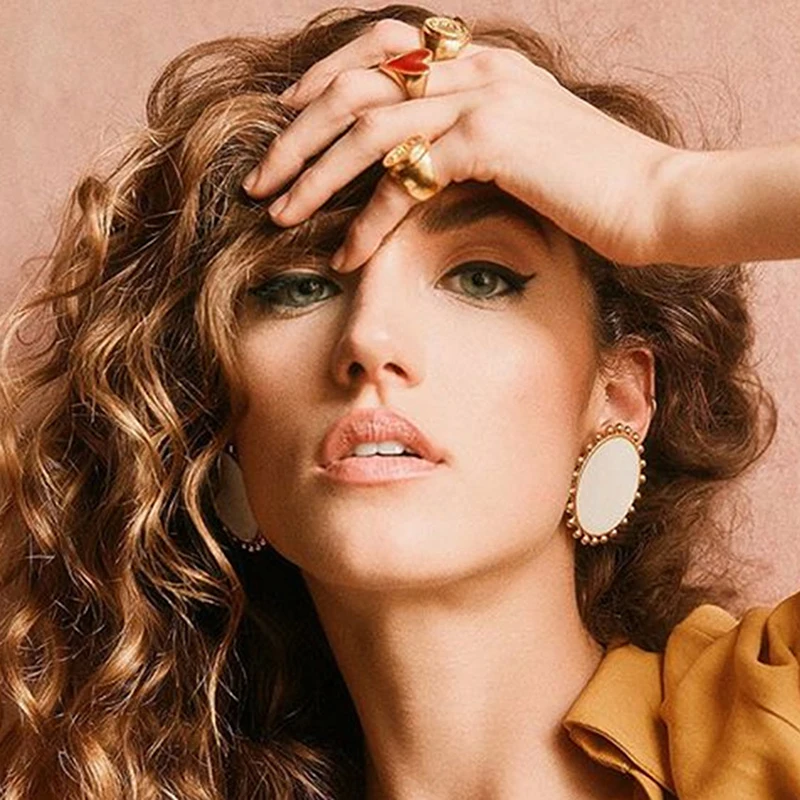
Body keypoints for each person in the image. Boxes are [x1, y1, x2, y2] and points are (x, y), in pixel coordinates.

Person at [0, 5, 797, 799]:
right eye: (297, 287)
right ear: (224, 420)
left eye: (481, 278)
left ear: (618, 395)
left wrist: (665, 195)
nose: (369, 338)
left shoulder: (769, 722)